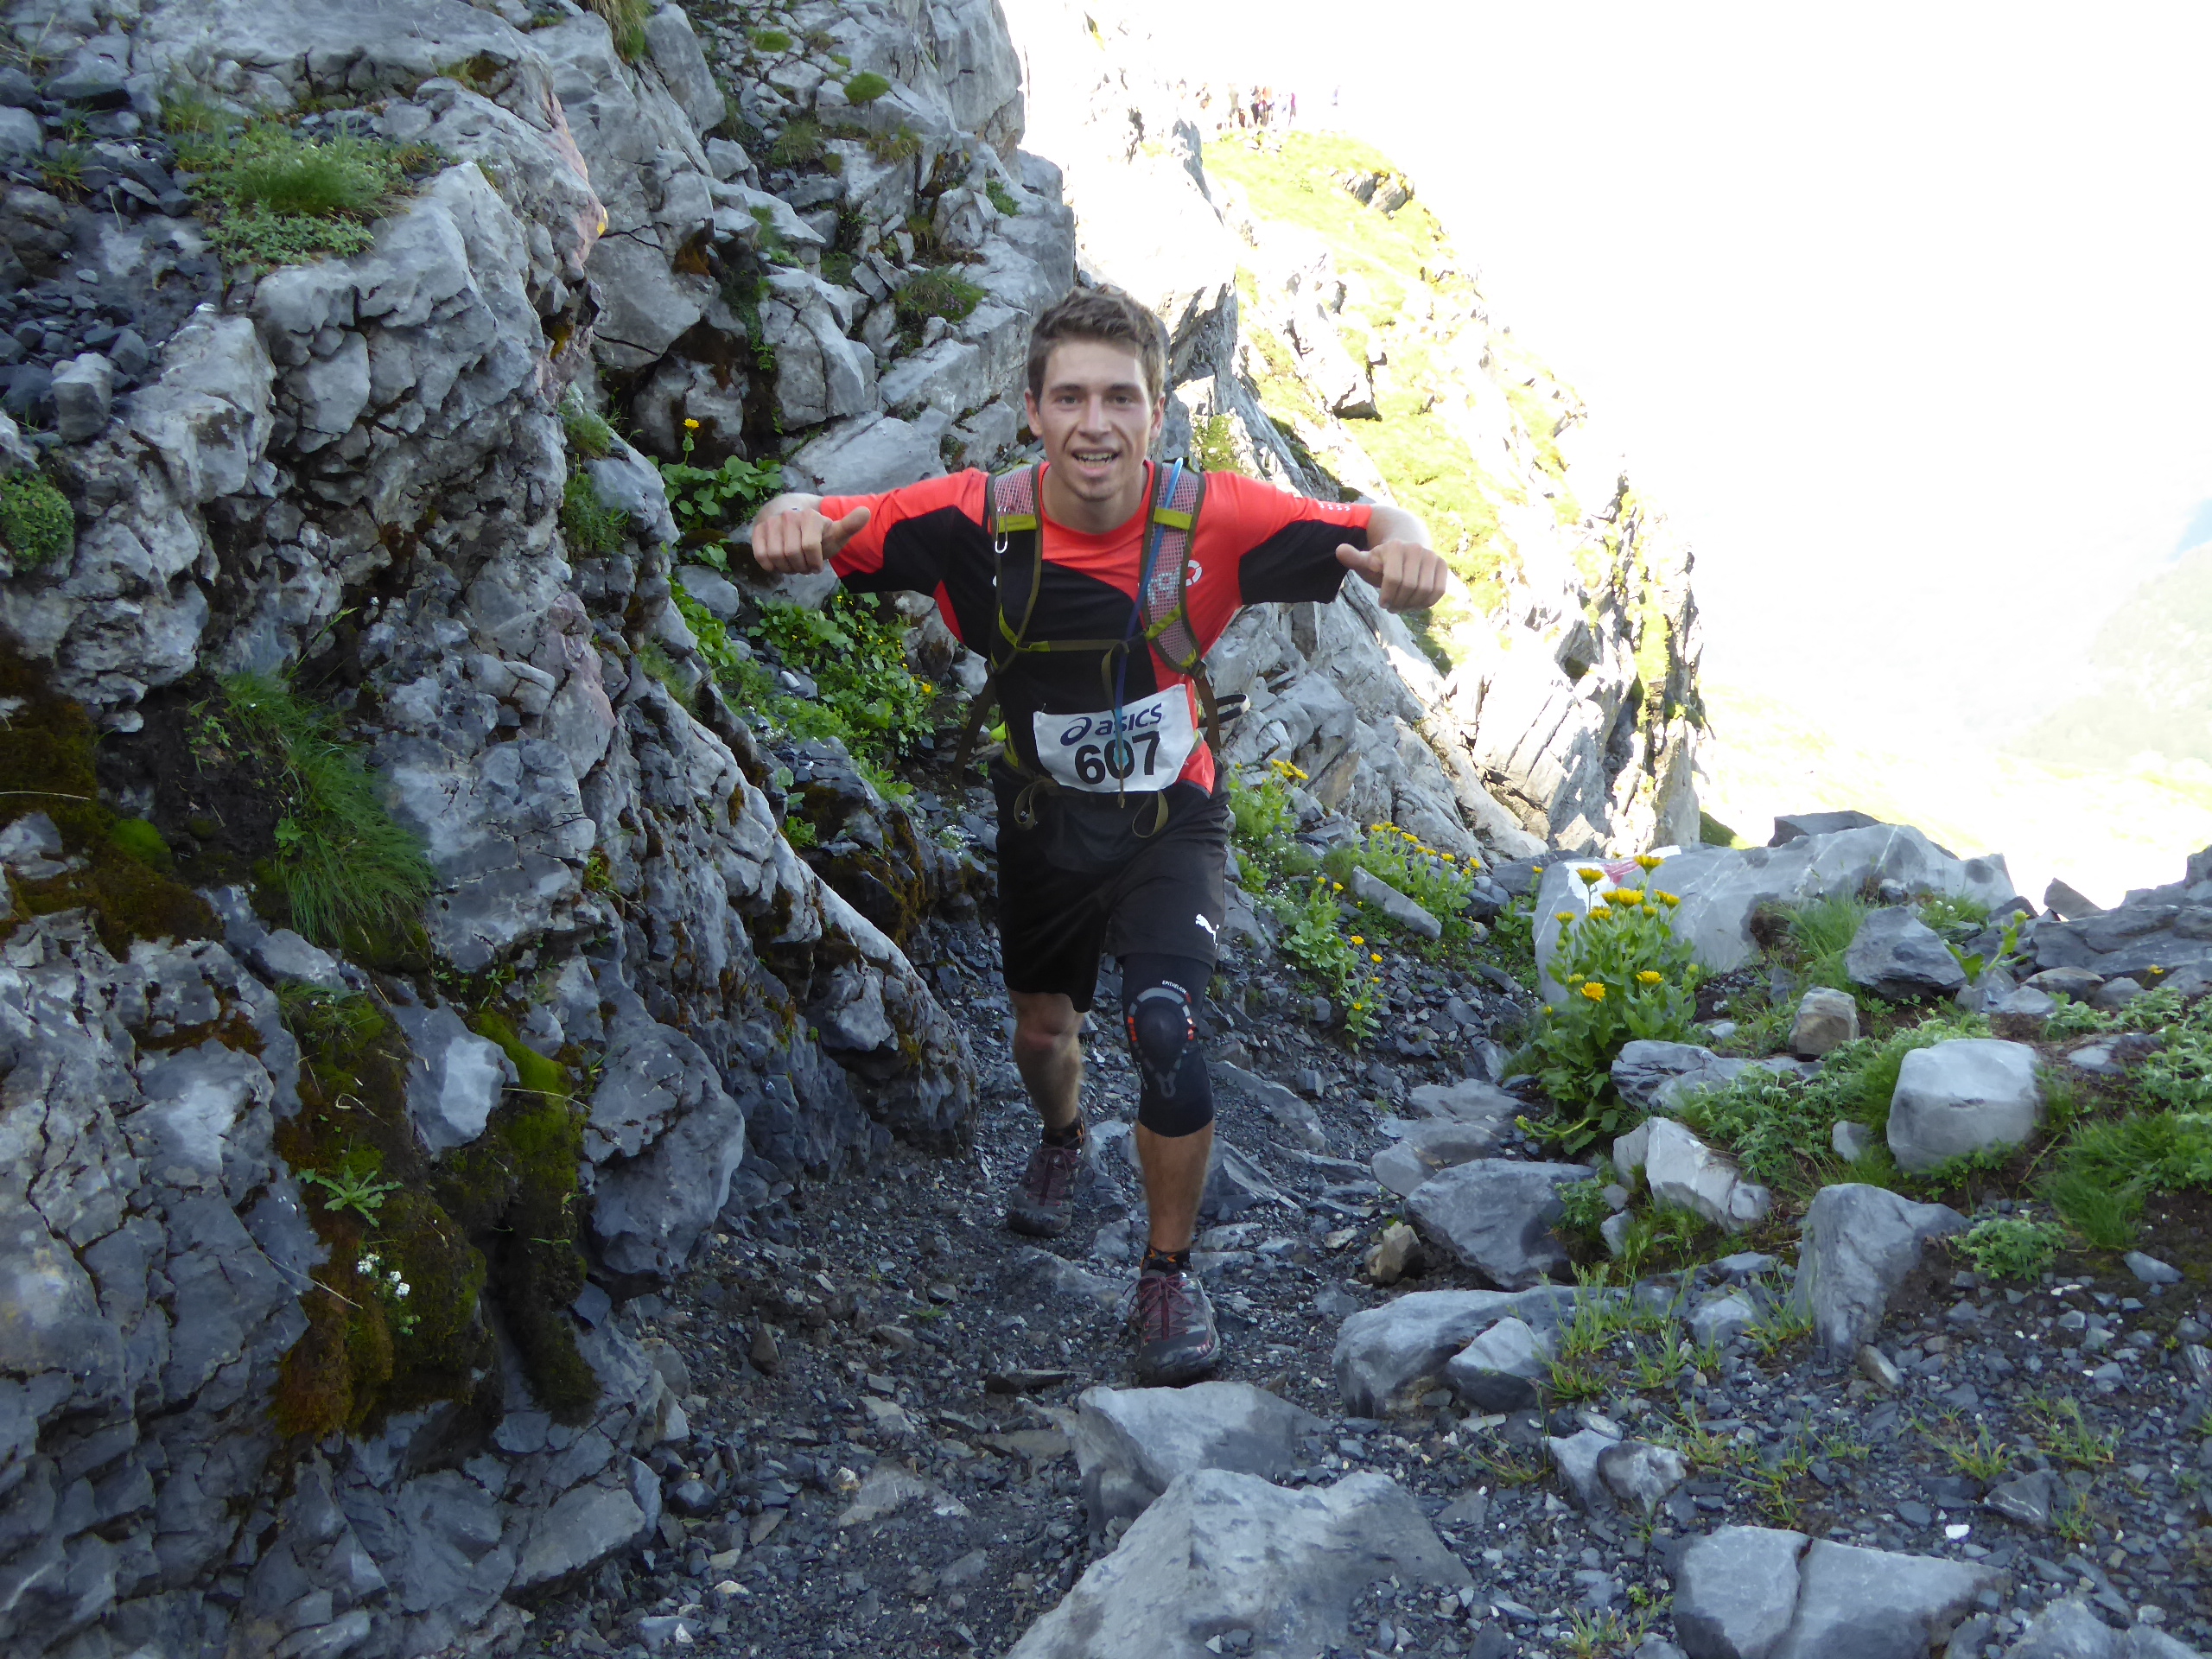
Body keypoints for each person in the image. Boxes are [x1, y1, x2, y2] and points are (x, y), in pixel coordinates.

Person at [747, 288, 1448, 1385]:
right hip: (1043, 822)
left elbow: (1374, 525)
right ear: (1031, 411)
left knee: (1166, 1027)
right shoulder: (971, 521)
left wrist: (1411, 547)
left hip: (1173, 818)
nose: (1095, 422)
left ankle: (1167, 1273)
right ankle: (1063, 1137)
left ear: (1157, 413)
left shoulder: (1215, 518)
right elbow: (822, 515)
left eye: (1120, 397)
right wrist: (785, 517)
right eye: (1069, 397)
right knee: (1042, 1035)